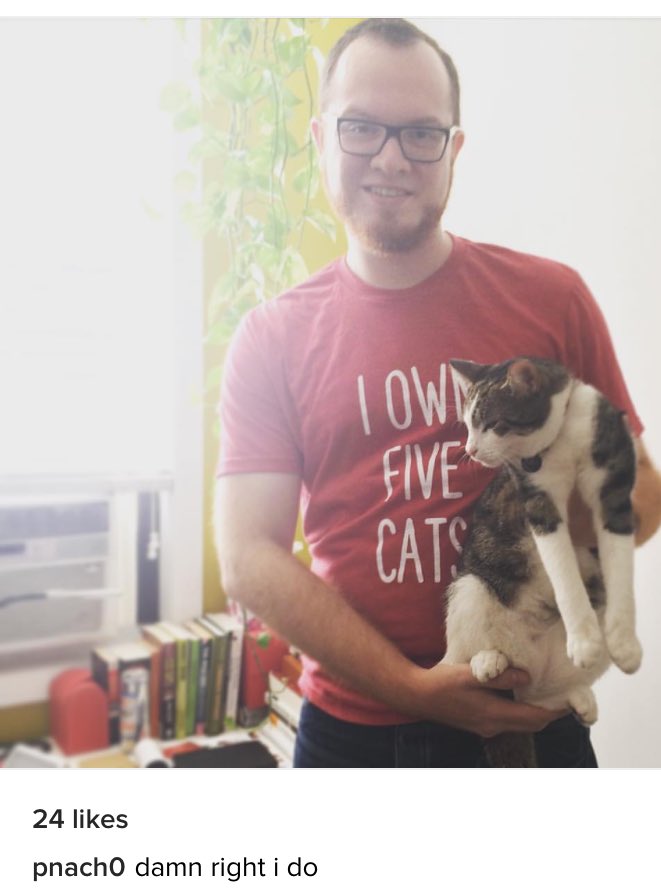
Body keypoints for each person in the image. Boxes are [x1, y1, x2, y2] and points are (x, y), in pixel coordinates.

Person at [214, 19, 661, 767]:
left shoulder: (553, 299)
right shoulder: (269, 338)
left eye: (421, 133)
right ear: (321, 138)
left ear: (453, 148)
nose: (390, 157)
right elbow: (248, 556)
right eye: (361, 127)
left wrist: (545, 531)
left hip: (541, 722)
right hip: (352, 736)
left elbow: (642, 486)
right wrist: (414, 689)